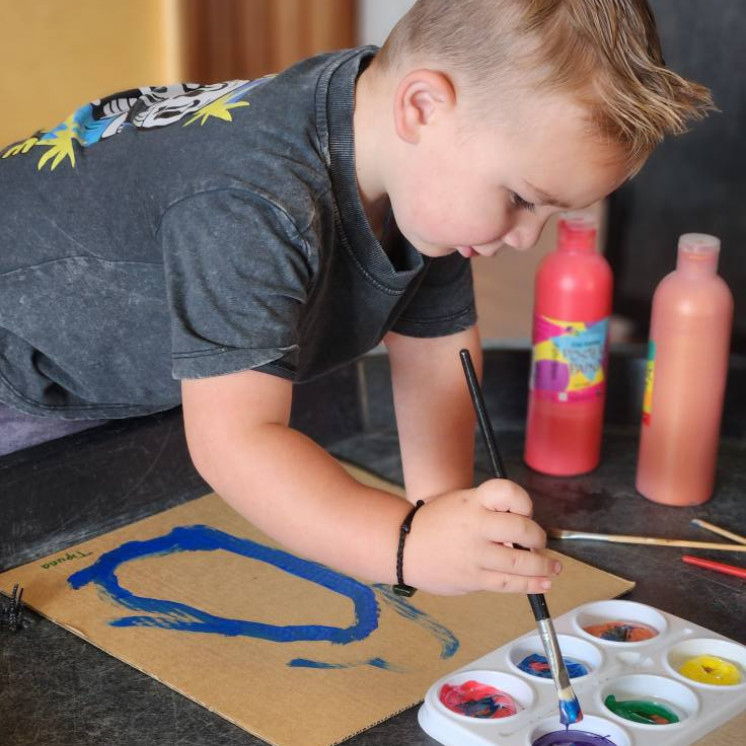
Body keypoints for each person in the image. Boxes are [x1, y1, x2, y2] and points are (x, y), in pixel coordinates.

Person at [0, 0, 711, 595]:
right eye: (522, 199)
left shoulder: (418, 176)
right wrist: (405, 547)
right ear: (423, 107)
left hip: (99, 362)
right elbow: (234, 441)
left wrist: (445, 510)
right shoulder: (254, 202)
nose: (525, 238)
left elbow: (437, 353)